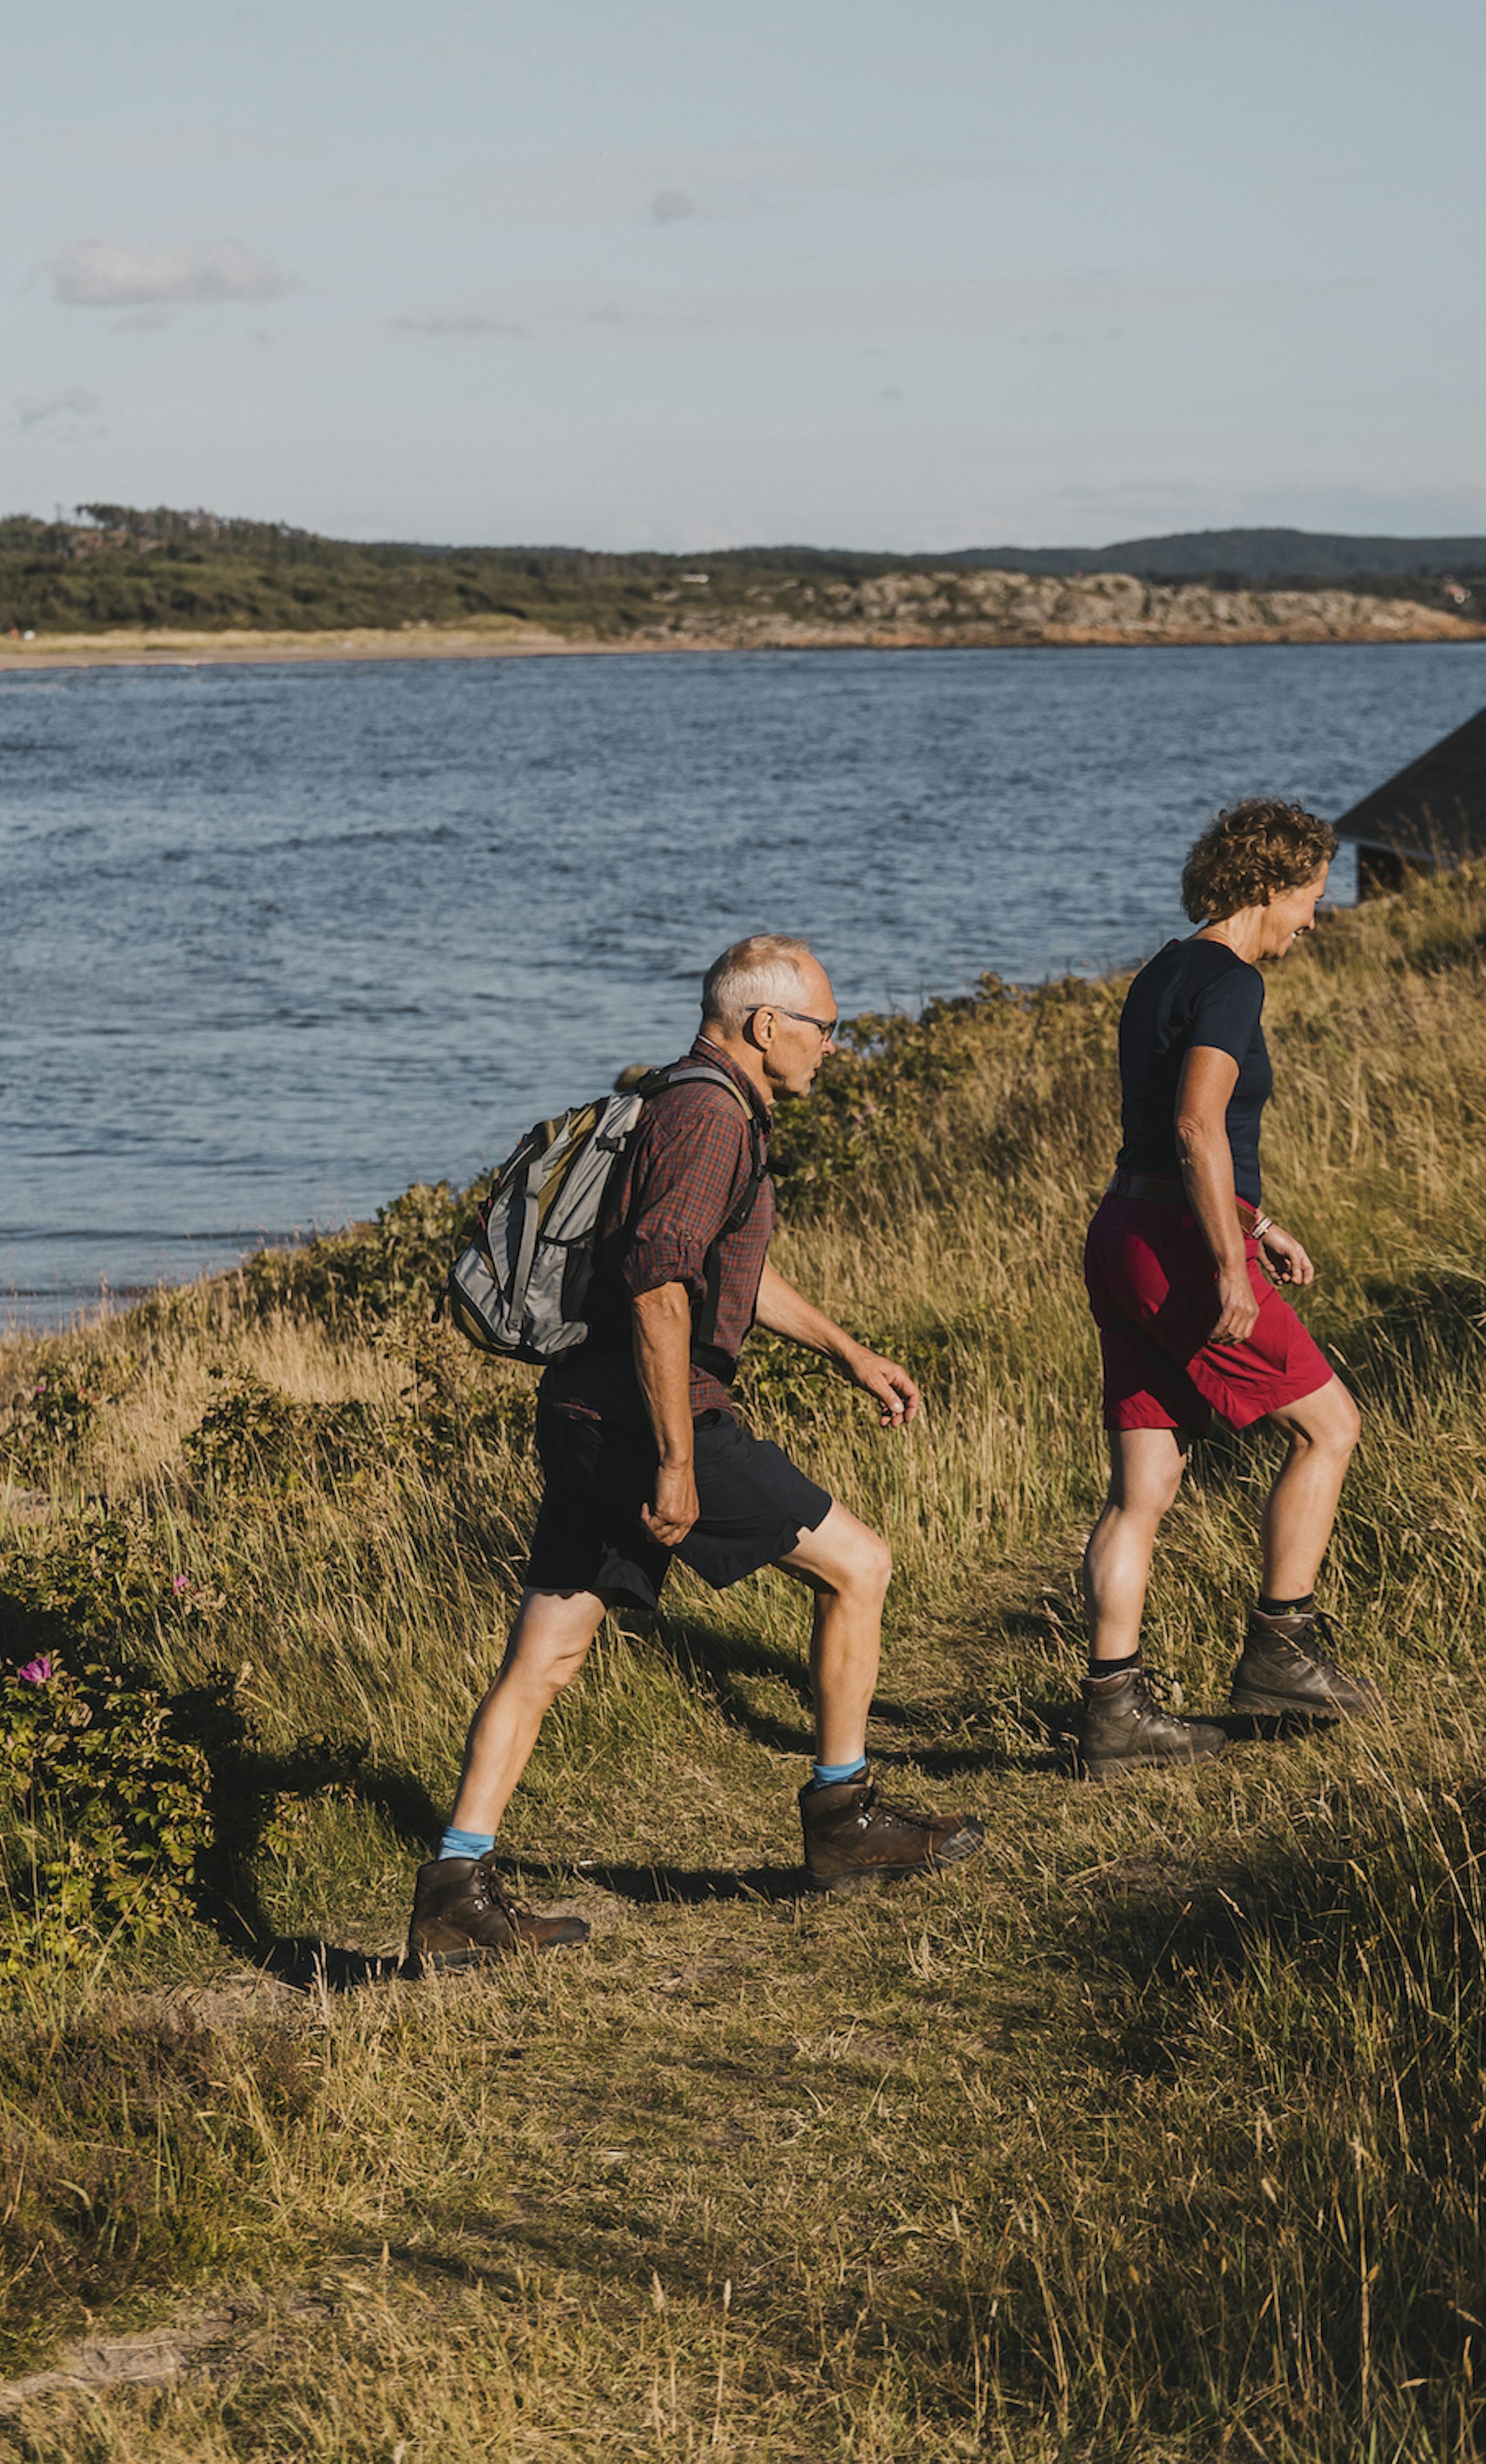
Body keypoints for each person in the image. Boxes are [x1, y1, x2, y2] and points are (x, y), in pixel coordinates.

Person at [411, 933, 985, 1972]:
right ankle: (844, 1819)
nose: (833, 1047)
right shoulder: (711, 1118)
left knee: (548, 1653)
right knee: (860, 1567)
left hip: (586, 1415)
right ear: (767, 1024)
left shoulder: (687, 1101)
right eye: (825, 1028)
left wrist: (849, 1352)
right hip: (649, 1423)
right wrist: (677, 1460)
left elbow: (730, 1275)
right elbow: (659, 1289)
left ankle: (455, 1890)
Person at [1070, 798, 1383, 1777]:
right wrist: (1227, 1260)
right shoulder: (1234, 981)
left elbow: (1169, 1134)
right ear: (1266, 884)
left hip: (1122, 1231)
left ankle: (1114, 1714)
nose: (1313, 919)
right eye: (1309, 897)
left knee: (1144, 1488)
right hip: (1178, 1243)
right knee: (1330, 1427)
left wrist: (1256, 1222)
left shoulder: (1163, 970)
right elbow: (1198, 1127)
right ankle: (1281, 1651)